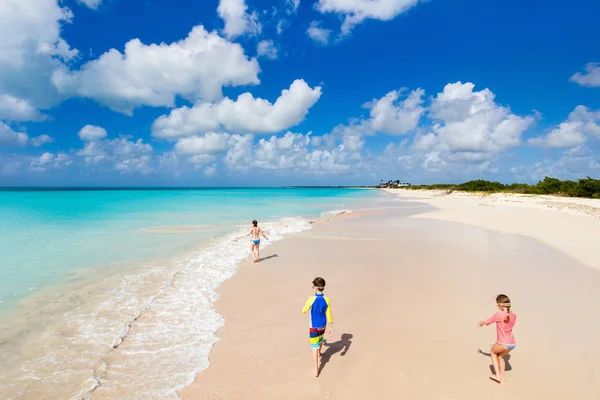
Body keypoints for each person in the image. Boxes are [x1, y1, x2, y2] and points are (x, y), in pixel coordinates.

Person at [479, 294, 517, 384]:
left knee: (492, 352)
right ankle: (502, 379)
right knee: (500, 357)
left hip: (503, 342)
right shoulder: (513, 315)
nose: (496, 305)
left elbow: (489, 320)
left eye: (497, 304)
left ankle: (497, 376)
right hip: (512, 344)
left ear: (501, 305)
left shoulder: (499, 314)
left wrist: (482, 323)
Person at [301, 277, 334, 377]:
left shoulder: (311, 299)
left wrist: (308, 306)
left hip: (313, 326)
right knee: (320, 339)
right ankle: (320, 353)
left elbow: (304, 311)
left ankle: (316, 369)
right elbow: (329, 314)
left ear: (315, 288)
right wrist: (331, 327)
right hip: (323, 325)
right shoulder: (327, 300)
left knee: (314, 346)